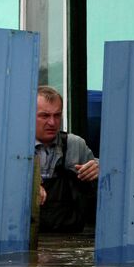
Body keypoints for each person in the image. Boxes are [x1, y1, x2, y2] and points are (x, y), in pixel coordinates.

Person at [34, 85, 99, 233]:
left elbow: (111, 176)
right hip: (26, 238)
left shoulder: (75, 145)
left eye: (57, 115)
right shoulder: (15, 149)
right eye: (44, 116)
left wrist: (99, 169)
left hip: (69, 239)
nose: (52, 122)